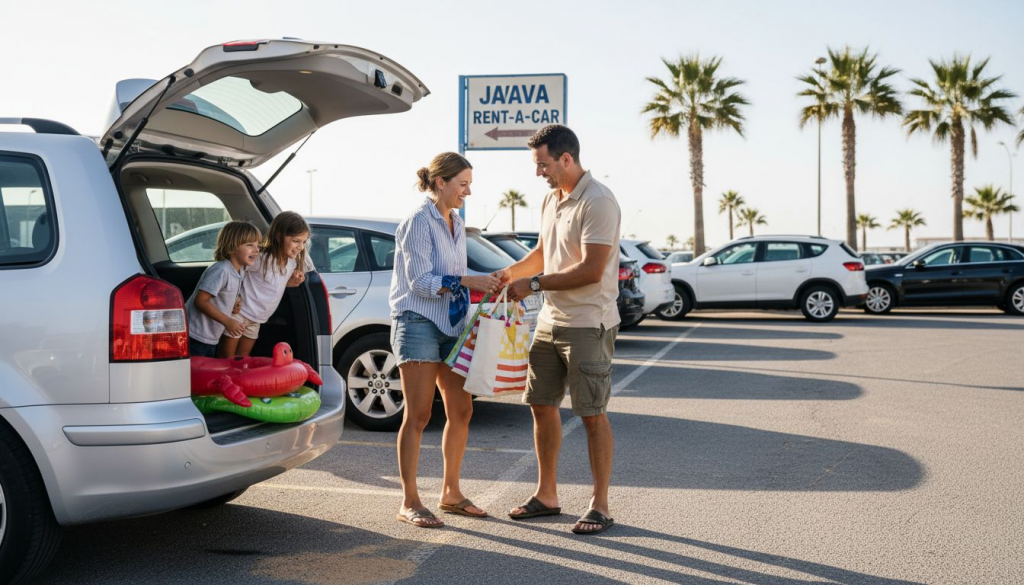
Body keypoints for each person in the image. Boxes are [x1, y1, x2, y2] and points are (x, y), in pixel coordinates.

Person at [496, 125, 621, 535]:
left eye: (543, 164)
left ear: (566, 159)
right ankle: (547, 495)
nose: (539, 173)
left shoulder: (598, 201)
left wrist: (532, 285)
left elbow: (590, 270)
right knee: (541, 405)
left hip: (588, 322)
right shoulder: (552, 198)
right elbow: (544, 253)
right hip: (550, 321)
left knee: (591, 414)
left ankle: (599, 504)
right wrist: (503, 277)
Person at [389, 152, 502, 528]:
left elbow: (453, 272)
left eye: (469, 184)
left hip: (452, 325)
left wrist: (487, 279)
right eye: (462, 184)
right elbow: (421, 282)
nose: (467, 192)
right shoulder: (417, 222)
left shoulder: (455, 221)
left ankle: (451, 494)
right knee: (419, 415)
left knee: (462, 410)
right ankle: (409, 501)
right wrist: (467, 282)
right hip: (417, 322)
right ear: (441, 182)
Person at [228, 211, 314, 357]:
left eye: (304, 242)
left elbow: (275, 283)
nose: (300, 247)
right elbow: (232, 269)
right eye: (296, 241)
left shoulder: (292, 261)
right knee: (227, 358)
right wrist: (234, 296)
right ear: (279, 237)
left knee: (243, 358)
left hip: (256, 320)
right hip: (237, 315)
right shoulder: (261, 258)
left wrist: (293, 279)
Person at [184, 220, 262, 358]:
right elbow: (201, 301)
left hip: (210, 336)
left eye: (257, 245)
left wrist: (235, 300)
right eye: (250, 245)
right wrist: (228, 321)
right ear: (231, 248)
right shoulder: (221, 270)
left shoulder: (240, 270)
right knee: (196, 375)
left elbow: (223, 292)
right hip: (195, 335)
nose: (256, 249)